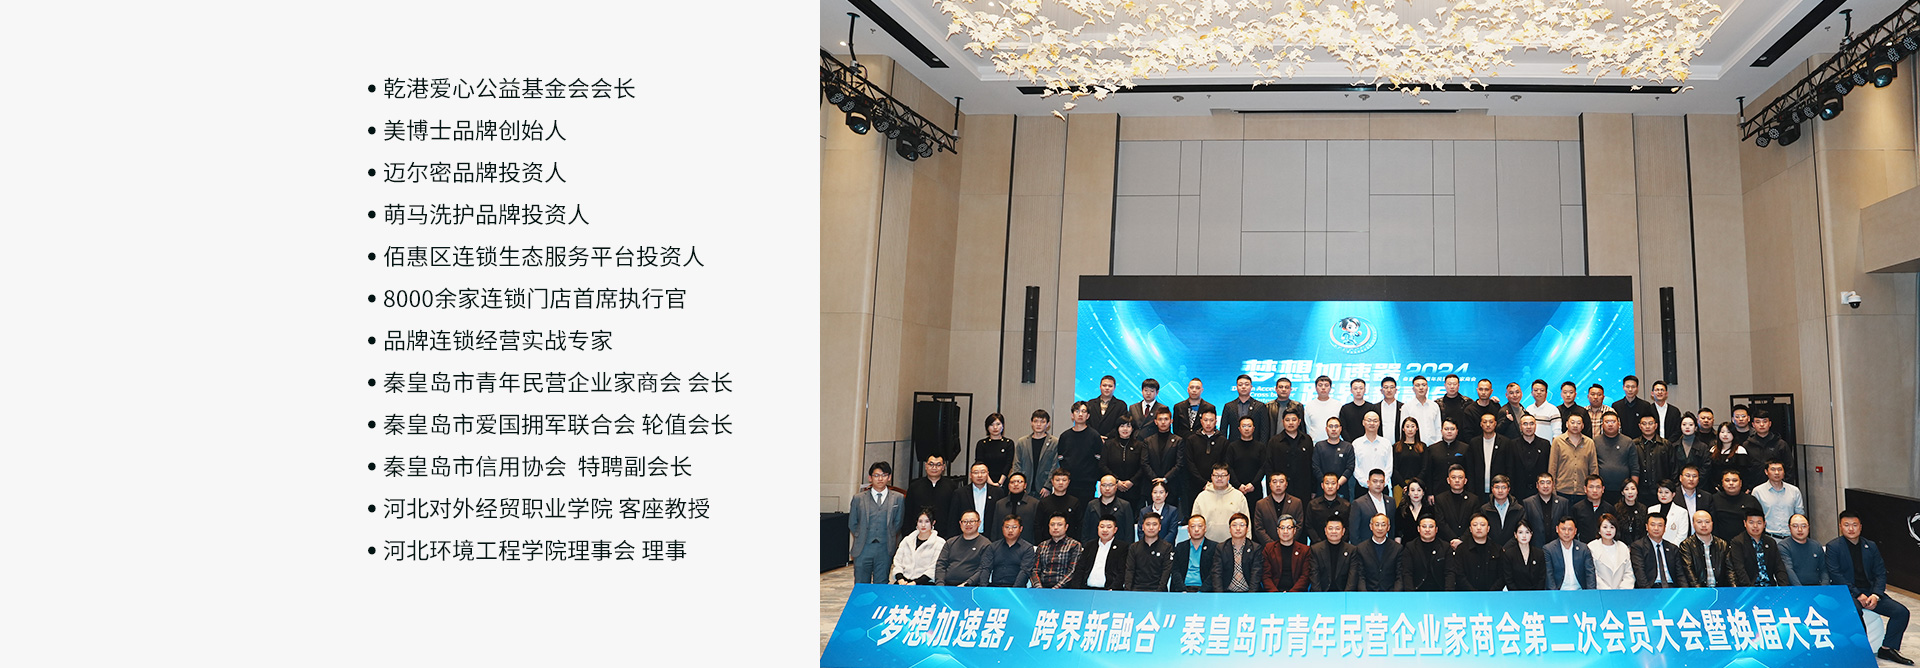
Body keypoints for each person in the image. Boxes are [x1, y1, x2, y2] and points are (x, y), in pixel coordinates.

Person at [1827, 510, 1912, 665]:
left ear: (1860, 526)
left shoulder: (1870, 546)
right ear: (1840, 526)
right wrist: (1857, 594)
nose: (1851, 529)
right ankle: (1860, 651)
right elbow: (1836, 575)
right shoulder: (1833, 547)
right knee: (1855, 611)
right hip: (1848, 592)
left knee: (1901, 612)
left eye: (1854, 525)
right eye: (1846, 525)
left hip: (1871, 592)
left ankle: (1887, 648)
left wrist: (1876, 595)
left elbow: (1880, 572)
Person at [850, 461, 906, 584]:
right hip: (863, 548)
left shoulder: (898, 498)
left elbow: (898, 523)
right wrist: (861, 535)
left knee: (881, 585)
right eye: (876, 475)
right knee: (861, 585)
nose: (880, 479)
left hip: (885, 548)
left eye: (884, 475)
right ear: (870, 478)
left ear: (889, 477)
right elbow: (852, 523)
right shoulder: (858, 498)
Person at [904, 455, 962, 538]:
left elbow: (954, 514)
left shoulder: (952, 487)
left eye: (938, 465)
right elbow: (908, 513)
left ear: (943, 467)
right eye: (931, 464)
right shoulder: (914, 486)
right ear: (926, 466)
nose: (934, 468)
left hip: (944, 535)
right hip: (919, 533)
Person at [1056, 401, 1106, 501]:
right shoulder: (1065, 436)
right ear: (1072, 415)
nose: (1080, 414)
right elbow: (1061, 458)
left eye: (1083, 411)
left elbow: (1099, 459)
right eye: (1077, 411)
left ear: (1088, 416)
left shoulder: (1094, 436)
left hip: (1087, 484)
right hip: (1069, 483)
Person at [1679, 510, 1741, 588]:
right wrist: (1699, 591)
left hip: (1721, 589)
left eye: (1707, 522)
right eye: (1699, 522)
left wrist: (1734, 589)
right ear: (1693, 524)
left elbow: (1730, 571)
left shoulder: (1722, 544)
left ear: (1712, 523)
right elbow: (1689, 571)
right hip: (1698, 590)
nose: (1704, 525)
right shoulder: (1686, 545)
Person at [1630, 512, 1691, 588]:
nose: (1656, 528)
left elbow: (1680, 575)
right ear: (1646, 527)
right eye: (1653, 525)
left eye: (1660, 525)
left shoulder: (1673, 548)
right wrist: (1647, 592)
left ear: (1665, 528)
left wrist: (1684, 591)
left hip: (1672, 587)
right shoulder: (1638, 546)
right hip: (1651, 587)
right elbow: (1640, 573)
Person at [1192, 464, 1250, 543]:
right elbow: (1193, 523)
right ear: (1211, 477)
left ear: (1228, 477)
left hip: (1232, 545)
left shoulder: (1238, 496)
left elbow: (1247, 522)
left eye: (1223, 475)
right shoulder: (1202, 497)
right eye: (1216, 475)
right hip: (1207, 545)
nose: (1219, 478)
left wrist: (1247, 543)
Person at [1267, 411, 1316, 505]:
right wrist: (1271, 489)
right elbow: (1269, 466)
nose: (1290, 423)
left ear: (1299, 421)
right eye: (1287, 420)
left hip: (1303, 488)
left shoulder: (1307, 440)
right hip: (1281, 490)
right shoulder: (1274, 441)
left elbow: (1312, 465)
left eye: (1294, 420)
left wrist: (1313, 489)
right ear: (1283, 422)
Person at [1729, 508, 1787, 587]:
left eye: (1759, 523)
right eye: (1751, 522)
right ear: (1745, 523)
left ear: (1764, 524)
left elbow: (1779, 567)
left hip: (1769, 587)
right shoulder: (1738, 542)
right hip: (1749, 587)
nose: (1755, 526)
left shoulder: (1770, 542)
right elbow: (1740, 569)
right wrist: (1749, 589)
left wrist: (1784, 588)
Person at [1591, 411, 1640, 503]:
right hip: (1601, 490)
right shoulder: (1595, 442)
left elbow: (1635, 468)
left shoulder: (1628, 442)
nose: (1610, 425)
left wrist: (1633, 489)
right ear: (1602, 425)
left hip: (1623, 490)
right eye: (1607, 422)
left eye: (1613, 421)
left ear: (1619, 424)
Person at [1068, 515, 1127, 590]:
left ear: (1115, 530)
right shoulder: (1089, 545)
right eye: (1102, 527)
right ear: (1098, 528)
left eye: (1109, 527)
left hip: (1108, 590)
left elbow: (1122, 572)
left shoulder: (1122, 548)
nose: (1105, 530)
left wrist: (1113, 589)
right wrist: (1076, 588)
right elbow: (1080, 568)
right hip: (1086, 589)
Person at [1182, 409, 1228, 504]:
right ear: (1201, 421)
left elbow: (1224, 463)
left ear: (1216, 422)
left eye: (1211, 420)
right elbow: (1189, 463)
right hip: (1194, 485)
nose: (1208, 423)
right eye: (1205, 420)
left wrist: (1213, 481)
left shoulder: (1223, 441)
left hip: (1217, 484)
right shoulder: (1191, 440)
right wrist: (1203, 482)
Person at [1100, 419, 1148, 509]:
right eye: (1122, 426)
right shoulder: (1109, 445)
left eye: (1128, 426)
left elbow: (1143, 466)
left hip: (1134, 488)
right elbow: (1103, 465)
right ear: (1117, 428)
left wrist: (1132, 481)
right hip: (1113, 488)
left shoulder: (1140, 445)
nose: (1125, 429)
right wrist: (1116, 481)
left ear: (1132, 429)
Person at [1142, 406, 1185, 504]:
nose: (1163, 422)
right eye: (1160, 419)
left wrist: (1165, 479)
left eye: (1166, 419)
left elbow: (1179, 464)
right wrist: (1155, 480)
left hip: (1171, 486)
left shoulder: (1178, 441)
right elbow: (1144, 462)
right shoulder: (1148, 441)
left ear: (1171, 421)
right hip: (1151, 485)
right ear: (1155, 422)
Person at [936, 510, 992, 586]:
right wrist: (940, 584)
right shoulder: (950, 542)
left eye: (972, 521)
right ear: (960, 523)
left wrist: (967, 583)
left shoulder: (986, 544)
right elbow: (941, 564)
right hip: (947, 585)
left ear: (979, 523)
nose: (968, 524)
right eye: (965, 521)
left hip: (970, 586)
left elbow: (982, 569)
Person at [1447, 515, 1502, 591]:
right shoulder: (1461, 549)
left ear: (1488, 528)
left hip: (1492, 594)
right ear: (1470, 529)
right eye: (1475, 525)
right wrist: (1473, 592)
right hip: (1467, 594)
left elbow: (1502, 576)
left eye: (1482, 525)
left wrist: (1491, 592)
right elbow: (1459, 575)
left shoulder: (1497, 549)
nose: (1479, 528)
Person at [1123, 512, 1176, 591]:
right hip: (1136, 590)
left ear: (1159, 527)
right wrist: (1128, 591)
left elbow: (1166, 571)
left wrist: (1159, 591)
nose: (1151, 528)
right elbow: (1130, 570)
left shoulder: (1167, 547)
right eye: (1148, 524)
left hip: (1158, 591)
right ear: (1143, 527)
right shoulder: (1134, 547)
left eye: (1154, 524)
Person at [1706, 469, 1763, 541]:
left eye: (1734, 480)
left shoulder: (1751, 500)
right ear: (1722, 483)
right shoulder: (1713, 499)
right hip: (1720, 543)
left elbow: (1759, 522)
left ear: (1740, 483)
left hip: (1745, 543)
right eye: (1727, 480)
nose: (1731, 483)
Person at [1548, 414, 1596, 500]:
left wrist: (1593, 488)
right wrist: (1552, 488)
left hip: (1582, 491)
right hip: (1562, 490)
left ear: (1582, 426)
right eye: (1572, 422)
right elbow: (1552, 467)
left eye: (1578, 423)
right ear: (1567, 424)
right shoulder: (1558, 441)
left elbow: (1593, 467)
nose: (1575, 425)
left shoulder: (1589, 443)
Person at [891, 510, 945, 585]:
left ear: (933, 523)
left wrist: (915, 583)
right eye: (920, 521)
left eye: (927, 521)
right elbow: (897, 562)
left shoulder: (939, 543)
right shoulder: (907, 540)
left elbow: (934, 568)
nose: (923, 525)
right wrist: (900, 579)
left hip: (925, 583)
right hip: (903, 582)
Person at [980, 515, 1036, 586]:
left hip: (1016, 588)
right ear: (1002, 528)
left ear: (1020, 529)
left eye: (1014, 527)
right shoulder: (993, 547)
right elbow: (985, 568)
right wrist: (984, 588)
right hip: (995, 587)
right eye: (1007, 527)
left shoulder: (1027, 548)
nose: (1010, 530)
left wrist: (1014, 590)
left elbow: (1025, 572)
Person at [1029, 514, 1082, 589]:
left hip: (1064, 588)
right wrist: (1038, 587)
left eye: (1059, 525)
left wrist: (1056, 588)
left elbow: (1072, 571)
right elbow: (1035, 570)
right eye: (1052, 525)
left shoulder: (1074, 545)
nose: (1055, 528)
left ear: (1066, 527)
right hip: (1042, 588)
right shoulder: (1042, 545)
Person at [1352, 513, 1403, 591]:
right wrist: (1364, 594)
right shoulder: (1361, 548)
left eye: (1383, 525)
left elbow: (1399, 575)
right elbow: (1360, 576)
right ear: (1371, 526)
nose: (1380, 528)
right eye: (1377, 525)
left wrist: (1394, 594)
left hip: (1390, 593)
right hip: (1369, 593)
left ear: (1388, 527)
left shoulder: (1397, 548)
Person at [950, 463, 1003, 536]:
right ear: (970, 475)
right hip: (966, 536)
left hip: (990, 536)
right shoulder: (960, 493)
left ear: (987, 474)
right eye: (976, 472)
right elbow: (953, 518)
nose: (979, 475)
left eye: (983, 472)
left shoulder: (998, 492)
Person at [1434, 466, 1481, 547]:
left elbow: (1474, 522)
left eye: (1460, 477)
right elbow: (1440, 522)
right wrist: (1453, 539)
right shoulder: (1440, 499)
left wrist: (1461, 540)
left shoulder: (1473, 499)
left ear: (1465, 481)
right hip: (1446, 543)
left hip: (1468, 543)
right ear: (1448, 480)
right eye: (1453, 477)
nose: (1457, 480)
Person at [1754, 460, 1803, 539]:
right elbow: (1755, 516)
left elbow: (1800, 515)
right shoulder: (1758, 491)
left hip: (1791, 537)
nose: (1777, 473)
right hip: (1769, 537)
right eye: (1773, 469)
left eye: (1780, 469)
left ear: (1784, 472)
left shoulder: (1794, 491)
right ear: (1766, 472)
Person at [1252, 473, 1305, 545]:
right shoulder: (1261, 504)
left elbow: (1299, 525)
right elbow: (1259, 528)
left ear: (1286, 484)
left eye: (1281, 481)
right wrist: (1272, 546)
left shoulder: (1296, 502)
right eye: (1274, 482)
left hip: (1291, 546)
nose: (1278, 485)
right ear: (1269, 484)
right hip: (1268, 547)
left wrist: (1287, 541)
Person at [1170, 514, 1219, 592]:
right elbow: (1175, 571)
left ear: (1205, 528)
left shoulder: (1214, 547)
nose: (1196, 529)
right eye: (1193, 526)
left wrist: (1202, 592)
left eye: (1200, 526)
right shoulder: (1180, 547)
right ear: (1188, 529)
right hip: (1184, 589)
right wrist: (1182, 590)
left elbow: (1214, 573)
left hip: (1204, 590)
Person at [1261, 516, 1311, 592]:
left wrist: (1291, 593)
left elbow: (1305, 576)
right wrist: (1275, 593)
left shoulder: (1305, 550)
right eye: (1282, 528)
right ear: (1278, 530)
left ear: (1294, 530)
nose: (1285, 531)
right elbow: (1266, 576)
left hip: (1296, 593)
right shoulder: (1269, 549)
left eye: (1289, 528)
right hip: (1274, 593)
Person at [1544, 516, 1596, 590]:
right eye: (1563, 529)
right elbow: (1549, 575)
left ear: (1575, 531)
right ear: (1557, 529)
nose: (1567, 533)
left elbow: (1590, 573)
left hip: (1580, 591)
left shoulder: (1583, 548)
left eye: (1570, 529)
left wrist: (1590, 593)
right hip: (1559, 591)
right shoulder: (1549, 549)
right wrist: (1554, 594)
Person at [1308, 517, 1359, 591]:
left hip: (1344, 593)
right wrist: (1319, 595)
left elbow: (1352, 578)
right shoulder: (1316, 550)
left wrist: (1346, 595)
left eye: (1337, 529)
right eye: (1330, 528)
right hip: (1322, 593)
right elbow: (1314, 576)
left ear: (1343, 531)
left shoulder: (1351, 550)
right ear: (1325, 531)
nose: (1334, 531)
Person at [1215, 513, 1263, 592]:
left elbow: (1256, 574)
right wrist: (1220, 595)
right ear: (1229, 529)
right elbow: (1217, 573)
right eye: (1234, 525)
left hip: (1249, 592)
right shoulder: (1221, 548)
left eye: (1242, 525)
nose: (1238, 528)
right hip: (1227, 593)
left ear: (1247, 529)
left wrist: (1251, 595)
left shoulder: (1255, 548)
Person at [1746, 409, 1795, 486]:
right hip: (1754, 487)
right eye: (1758, 422)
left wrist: (1786, 485)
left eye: (1765, 422)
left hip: (1778, 486)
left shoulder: (1781, 444)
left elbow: (1790, 467)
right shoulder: (1747, 445)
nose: (1761, 425)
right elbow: (1744, 469)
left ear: (1770, 423)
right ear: (1753, 424)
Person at [1422, 419, 1471, 496]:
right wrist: (1430, 493)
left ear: (1457, 431)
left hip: (1460, 492)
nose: (1449, 431)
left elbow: (1470, 472)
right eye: (1446, 429)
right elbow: (1429, 473)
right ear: (1441, 431)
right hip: (1437, 491)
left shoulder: (1465, 448)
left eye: (1452, 429)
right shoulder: (1432, 449)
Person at [1521, 472, 1571, 547]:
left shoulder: (1563, 502)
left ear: (1553, 485)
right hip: (1535, 547)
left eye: (1548, 483)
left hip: (1557, 547)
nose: (1545, 486)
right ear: (1537, 485)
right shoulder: (1528, 503)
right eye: (1542, 483)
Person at [1082, 475, 1136, 544]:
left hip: (1119, 546)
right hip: (1094, 546)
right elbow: (1085, 529)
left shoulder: (1125, 505)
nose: (1107, 488)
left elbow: (1129, 531)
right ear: (1100, 487)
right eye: (1104, 485)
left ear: (1116, 487)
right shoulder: (1092, 505)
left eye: (1111, 485)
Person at [1222, 415, 1268, 496]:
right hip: (1235, 490)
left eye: (1249, 426)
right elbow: (1229, 467)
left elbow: (1263, 467)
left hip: (1255, 489)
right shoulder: (1232, 446)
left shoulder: (1260, 447)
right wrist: (1238, 485)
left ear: (1253, 428)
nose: (1246, 429)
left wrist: (1253, 484)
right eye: (1243, 426)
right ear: (1239, 429)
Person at [1779, 513, 1828, 587]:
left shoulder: (1816, 545)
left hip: (1816, 587)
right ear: (1789, 527)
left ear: (1808, 527)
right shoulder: (1784, 546)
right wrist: (1801, 590)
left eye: (1804, 526)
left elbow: (1824, 569)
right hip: (1794, 588)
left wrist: (1824, 586)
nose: (1800, 529)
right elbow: (1789, 570)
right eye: (1795, 526)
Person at [1312, 416, 1356, 499]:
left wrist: (1337, 484)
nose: (1333, 429)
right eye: (1331, 426)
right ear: (1326, 429)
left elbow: (1350, 468)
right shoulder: (1319, 446)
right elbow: (1315, 467)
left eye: (1336, 426)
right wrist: (1326, 484)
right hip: (1322, 489)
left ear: (1340, 429)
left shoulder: (1348, 447)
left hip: (1342, 488)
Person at [1352, 411, 1392, 500]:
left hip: (1382, 488)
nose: (1372, 423)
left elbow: (1389, 466)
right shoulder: (1356, 443)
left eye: (1375, 421)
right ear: (1363, 422)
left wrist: (1381, 483)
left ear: (1379, 423)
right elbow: (1355, 467)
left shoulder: (1386, 443)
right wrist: (1366, 483)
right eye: (1369, 420)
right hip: (1362, 487)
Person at [1633, 415, 1672, 506]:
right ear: (1640, 426)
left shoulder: (1665, 444)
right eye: (1644, 424)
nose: (1647, 426)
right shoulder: (1634, 445)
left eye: (1650, 423)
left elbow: (1673, 468)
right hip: (1640, 492)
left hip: (1661, 491)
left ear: (1656, 425)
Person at [1470, 412, 1512, 496]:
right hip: (1478, 489)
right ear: (1481, 424)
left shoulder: (1505, 442)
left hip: (1499, 490)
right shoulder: (1474, 443)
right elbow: (1470, 467)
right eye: (1485, 422)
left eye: (1491, 422)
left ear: (1495, 424)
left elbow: (1509, 467)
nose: (1488, 425)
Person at [1707, 422, 1756, 493]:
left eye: (1729, 432)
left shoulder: (1740, 450)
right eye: (1722, 432)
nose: (1725, 435)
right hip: (1716, 490)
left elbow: (1745, 472)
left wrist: (1746, 488)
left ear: (1734, 434)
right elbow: (1711, 471)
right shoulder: (1713, 450)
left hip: (1736, 489)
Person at [992, 472, 1040, 543]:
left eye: (1019, 482)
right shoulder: (1000, 504)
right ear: (1008, 485)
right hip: (1003, 545)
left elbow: (1037, 528)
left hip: (1027, 544)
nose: (1016, 484)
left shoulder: (1034, 503)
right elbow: (995, 528)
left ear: (1025, 485)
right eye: (1012, 482)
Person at [1221, 374, 1270, 445]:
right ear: (1236, 387)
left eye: (1246, 384)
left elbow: (1264, 430)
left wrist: (1262, 446)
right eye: (1240, 385)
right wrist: (1224, 446)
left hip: (1255, 446)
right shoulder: (1229, 406)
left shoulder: (1260, 406)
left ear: (1251, 387)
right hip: (1233, 446)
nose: (1243, 387)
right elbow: (1223, 429)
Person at [1349, 469, 1396, 541]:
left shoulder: (1391, 501)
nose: (1378, 484)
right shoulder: (1358, 503)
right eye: (1375, 481)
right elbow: (1354, 531)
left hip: (1387, 545)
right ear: (1368, 483)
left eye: (1381, 481)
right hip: (1365, 545)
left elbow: (1392, 527)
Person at [1509, 414, 1552, 494]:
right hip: (1518, 491)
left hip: (1540, 492)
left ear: (1535, 426)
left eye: (1531, 424)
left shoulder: (1545, 444)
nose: (1528, 427)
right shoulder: (1512, 445)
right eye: (1525, 424)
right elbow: (1510, 469)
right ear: (1520, 427)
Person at [1589, 514, 1634, 589]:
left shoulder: (1623, 547)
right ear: (1599, 530)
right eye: (1605, 527)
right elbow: (1592, 574)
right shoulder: (1592, 547)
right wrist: (1607, 591)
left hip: (1622, 592)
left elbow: (1628, 573)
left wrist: (1622, 589)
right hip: (1601, 591)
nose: (1608, 530)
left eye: (1612, 527)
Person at [1305, 472, 1351, 545]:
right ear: (1322, 485)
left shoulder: (1346, 505)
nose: (1330, 486)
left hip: (1340, 546)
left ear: (1337, 486)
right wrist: (1318, 543)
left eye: (1333, 483)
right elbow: (1309, 526)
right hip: (1317, 547)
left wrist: (1340, 542)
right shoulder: (1313, 504)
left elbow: (1348, 527)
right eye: (1327, 483)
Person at [1012, 409, 1056, 484]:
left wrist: (1047, 486)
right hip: (1025, 483)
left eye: (1042, 422)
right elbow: (1017, 465)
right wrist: (1019, 483)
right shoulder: (1022, 442)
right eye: (1035, 421)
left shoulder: (1054, 442)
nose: (1038, 424)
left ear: (1048, 424)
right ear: (1031, 423)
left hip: (1044, 484)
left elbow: (1054, 466)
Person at [1036, 470, 1082, 540]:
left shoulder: (1075, 502)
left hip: (1070, 543)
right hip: (1047, 542)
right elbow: (1038, 525)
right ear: (1052, 482)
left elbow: (1079, 524)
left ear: (1068, 482)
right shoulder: (1044, 502)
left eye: (1064, 480)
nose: (1061, 483)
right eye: (1057, 480)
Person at [1390, 416, 1427, 504]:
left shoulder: (1422, 446)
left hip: (1418, 486)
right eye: (1407, 426)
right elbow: (1394, 468)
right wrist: (1404, 485)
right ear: (1403, 429)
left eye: (1412, 426)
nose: (1410, 429)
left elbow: (1425, 468)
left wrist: (1415, 484)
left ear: (1417, 428)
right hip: (1400, 486)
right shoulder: (1396, 447)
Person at [1644, 478, 1691, 546]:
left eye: (1666, 492)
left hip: (1674, 548)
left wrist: (1671, 549)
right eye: (1660, 492)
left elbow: (1682, 535)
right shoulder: (1651, 509)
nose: (1663, 495)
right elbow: (1648, 532)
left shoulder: (1682, 512)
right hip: (1653, 547)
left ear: (1673, 494)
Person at [1481, 475, 1524, 547]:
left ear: (1508, 489)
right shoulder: (1484, 509)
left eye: (1503, 487)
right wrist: (1495, 548)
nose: (1500, 491)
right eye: (1497, 487)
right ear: (1492, 489)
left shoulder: (1518, 509)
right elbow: (1483, 532)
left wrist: (1507, 548)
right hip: (1490, 549)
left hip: (1513, 549)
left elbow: (1520, 532)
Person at [1569, 475, 1615, 543]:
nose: (1595, 490)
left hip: (1604, 546)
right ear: (1585, 489)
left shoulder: (1609, 509)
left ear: (1603, 489)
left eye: (1598, 487)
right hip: (1583, 546)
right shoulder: (1577, 508)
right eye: (1591, 487)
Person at [1502, 523, 1547, 590]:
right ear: (1515, 535)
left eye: (1527, 532)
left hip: (1535, 593)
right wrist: (1518, 593)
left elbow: (1542, 577)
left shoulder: (1539, 553)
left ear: (1531, 534)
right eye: (1520, 532)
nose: (1524, 536)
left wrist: (1536, 593)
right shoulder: (1509, 554)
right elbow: (1508, 579)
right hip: (1516, 593)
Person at [975, 413, 1016, 486]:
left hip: (1003, 481)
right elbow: (980, 464)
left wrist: (1000, 483)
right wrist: (991, 483)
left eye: (998, 424)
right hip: (985, 481)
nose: (995, 427)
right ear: (987, 427)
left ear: (1003, 426)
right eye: (991, 425)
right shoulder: (982, 444)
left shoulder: (1008, 443)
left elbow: (1008, 464)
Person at [1138, 480, 1180, 544]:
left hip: (1166, 547)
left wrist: (1161, 546)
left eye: (1161, 492)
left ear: (1166, 494)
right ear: (1151, 494)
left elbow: (1172, 532)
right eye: (1155, 492)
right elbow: (1141, 531)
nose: (1158, 495)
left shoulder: (1172, 511)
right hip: (1147, 546)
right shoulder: (1144, 511)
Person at [1303, 375, 1342, 443]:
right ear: (1316, 388)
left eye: (1326, 385)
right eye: (1320, 385)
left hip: (1334, 443)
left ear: (1330, 388)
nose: (1323, 388)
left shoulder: (1338, 405)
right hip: (1314, 444)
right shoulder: (1309, 406)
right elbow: (1308, 427)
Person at [1337, 378, 1379, 442]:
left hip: (1369, 442)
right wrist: (1350, 443)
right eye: (1355, 388)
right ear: (1351, 391)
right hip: (1350, 443)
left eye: (1361, 388)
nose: (1358, 391)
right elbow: (1343, 429)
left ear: (1365, 390)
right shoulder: (1345, 409)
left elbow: (1377, 426)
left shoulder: (1372, 408)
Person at [1406, 376, 1442, 444]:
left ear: (1427, 388)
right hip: (1415, 445)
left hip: (1432, 445)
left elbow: (1438, 428)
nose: (1421, 388)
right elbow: (1404, 430)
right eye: (1417, 385)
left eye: (1423, 385)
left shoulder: (1434, 406)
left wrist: (1438, 444)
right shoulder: (1407, 407)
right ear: (1413, 389)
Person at [1671, 413, 1709, 479]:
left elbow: (1706, 467)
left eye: (1691, 425)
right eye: (1684, 424)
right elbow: (1672, 468)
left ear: (1696, 428)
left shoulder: (1703, 447)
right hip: (1678, 483)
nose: (1687, 427)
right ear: (1680, 427)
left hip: (1699, 482)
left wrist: (1695, 479)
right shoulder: (1674, 447)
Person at [1612, 479, 1647, 546]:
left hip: (1640, 545)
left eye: (1633, 489)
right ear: (1622, 492)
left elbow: (1644, 531)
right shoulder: (1616, 508)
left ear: (1637, 491)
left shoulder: (1643, 508)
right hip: (1620, 545)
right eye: (1626, 489)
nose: (1630, 492)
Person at [1377, 376, 1404, 446]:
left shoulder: (1403, 407)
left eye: (1392, 387)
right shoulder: (1375, 408)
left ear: (1396, 390)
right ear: (1381, 390)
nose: (1389, 390)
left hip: (1399, 446)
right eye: (1386, 387)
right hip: (1379, 446)